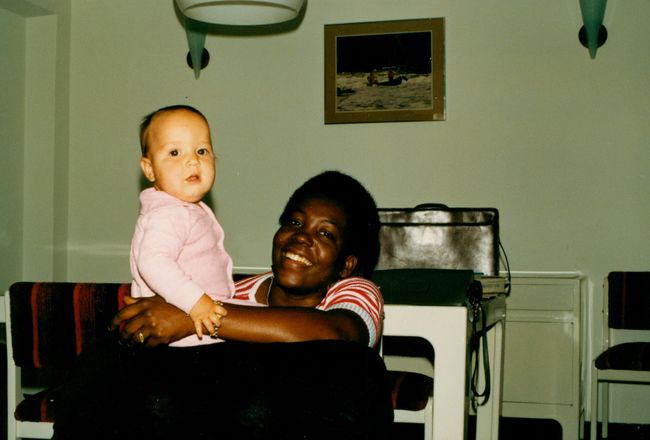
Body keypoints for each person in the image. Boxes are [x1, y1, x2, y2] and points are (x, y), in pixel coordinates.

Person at [53, 170, 393, 440]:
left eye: (325, 234)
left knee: (352, 367)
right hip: (224, 422)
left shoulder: (355, 290)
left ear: (346, 264)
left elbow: (336, 332)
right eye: (294, 222)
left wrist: (196, 317)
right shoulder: (232, 293)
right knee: (114, 357)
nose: (301, 237)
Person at [130, 105, 232, 345]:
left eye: (202, 150)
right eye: (175, 153)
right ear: (149, 169)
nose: (192, 161)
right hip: (181, 337)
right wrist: (195, 302)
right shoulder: (169, 213)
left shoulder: (186, 209)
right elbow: (153, 262)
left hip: (196, 331)